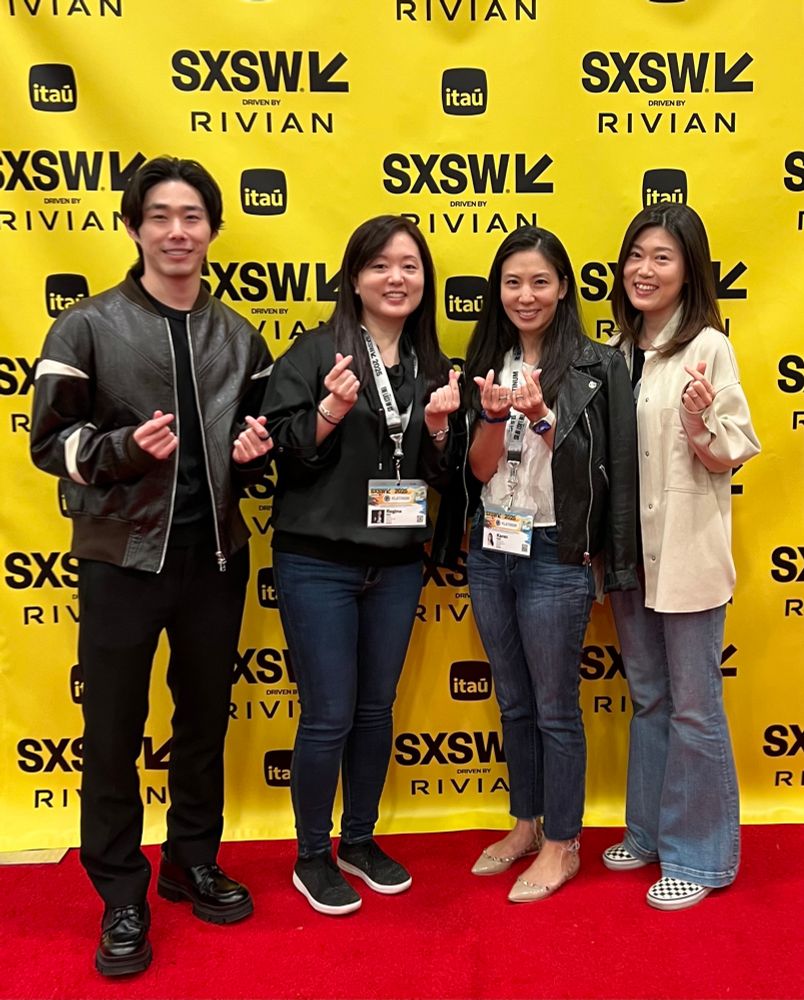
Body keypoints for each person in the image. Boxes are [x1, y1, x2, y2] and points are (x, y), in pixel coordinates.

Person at [30, 156, 273, 975]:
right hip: (120, 561)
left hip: (215, 560)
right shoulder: (87, 326)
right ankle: (121, 894)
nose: (178, 231)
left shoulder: (238, 336)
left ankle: (191, 863)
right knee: (112, 734)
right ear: (135, 227)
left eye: (193, 216)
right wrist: (120, 450)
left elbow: (255, 455)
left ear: (211, 230)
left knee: (203, 725)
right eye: (161, 216)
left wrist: (251, 453)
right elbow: (48, 445)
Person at [263, 215, 463, 916]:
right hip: (317, 561)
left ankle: (359, 839)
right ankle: (311, 855)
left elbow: (443, 475)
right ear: (354, 278)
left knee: (375, 711)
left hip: (398, 563)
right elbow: (277, 448)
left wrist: (439, 429)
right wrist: (327, 411)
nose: (396, 278)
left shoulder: (433, 365)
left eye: (409, 265)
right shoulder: (317, 351)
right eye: (380, 265)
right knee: (328, 716)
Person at [463, 226, 637, 902]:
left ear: (563, 287)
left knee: (555, 707)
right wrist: (487, 417)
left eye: (539, 281)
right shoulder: (489, 358)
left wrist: (540, 420)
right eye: (512, 282)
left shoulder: (598, 366)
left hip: (555, 550)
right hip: (491, 544)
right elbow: (479, 471)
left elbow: (605, 473)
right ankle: (525, 824)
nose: (525, 294)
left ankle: (564, 843)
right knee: (512, 701)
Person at [601, 203, 760, 910]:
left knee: (695, 708)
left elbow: (732, 449)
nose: (644, 268)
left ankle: (701, 859)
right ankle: (651, 833)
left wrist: (700, 423)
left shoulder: (708, 348)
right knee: (650, 699)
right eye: (637, 253)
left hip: (688, 558)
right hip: (629, 558)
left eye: (662, 256)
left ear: (689, 269)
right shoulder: (616, 346)